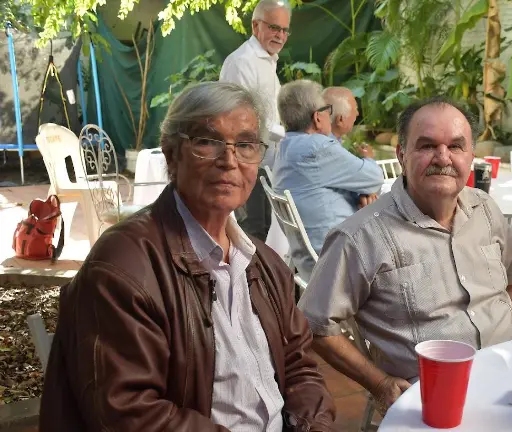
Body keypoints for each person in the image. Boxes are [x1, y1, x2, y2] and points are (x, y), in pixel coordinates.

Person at [39, 82, 335, 431]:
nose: (229, 160)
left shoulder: (264, 264)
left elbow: (299, 365)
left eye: (245, 144)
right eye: (207, 142)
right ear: (171, 155)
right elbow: (129, 413)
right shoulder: (123, 267)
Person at [298, 97, 512, 414]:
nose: (442, 158)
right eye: (427, 145)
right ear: (402, 154)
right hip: (432, 402)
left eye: (456, 146)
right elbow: (313, 323)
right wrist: (379, 383)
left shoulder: (486, 210)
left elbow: (510, 281)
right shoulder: (361, 237)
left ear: (471, 156)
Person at [272, 79, 383, 281]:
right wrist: (369, 159)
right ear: (317, 117)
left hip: (309, 258)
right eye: (326, 109)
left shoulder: (285, 147)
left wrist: (362, 195)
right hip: (338, 259)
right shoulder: (317, 147)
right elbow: (374, 177)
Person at [220, 0, 291, 242]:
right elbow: (246, 121)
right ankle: (246, 281)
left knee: (262, 231)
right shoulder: (242, 62)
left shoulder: (268, 60)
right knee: (251, 234)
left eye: (284, 30)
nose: (280, 35)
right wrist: (289, 136)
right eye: (274, 28)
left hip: (266, 163)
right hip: (245, 162)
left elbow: (272, 113)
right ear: (255, 25)